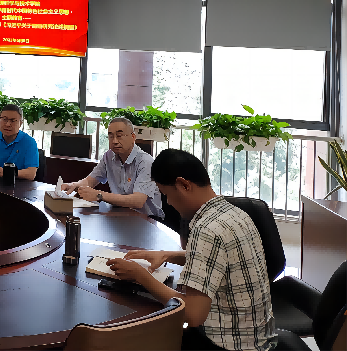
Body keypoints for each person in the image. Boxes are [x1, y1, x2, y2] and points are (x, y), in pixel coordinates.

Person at [106, 149, 276, 351]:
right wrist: (167, 255)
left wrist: (140, 276)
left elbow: (193, 315)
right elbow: (218, 259)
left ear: (184, 185)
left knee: (137, 339)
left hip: (228, 344)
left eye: (167, 195)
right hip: (259, 337)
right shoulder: (236, 214)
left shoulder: (206, 229)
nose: (169, 202)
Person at [61, 117, 164, 218]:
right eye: (111, 136)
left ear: (133, 137)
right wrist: (74, 185)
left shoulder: (145, 162)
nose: (114, 141)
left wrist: (99, 195)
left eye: (119, 136)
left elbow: (138, 201)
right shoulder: (109, 156)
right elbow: (90, 181)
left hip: (147, 219)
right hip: (122, 214)